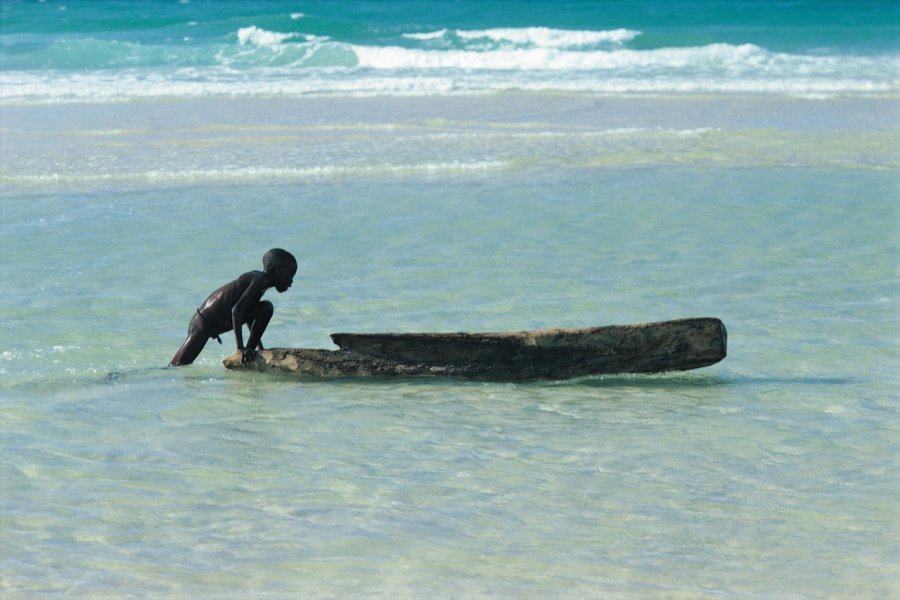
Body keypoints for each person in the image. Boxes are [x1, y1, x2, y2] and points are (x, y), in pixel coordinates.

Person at [169, 248, 297, 366]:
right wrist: (240, 348)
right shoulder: (259, 279)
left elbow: (247, 315)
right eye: (289, 275)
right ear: (272, 270)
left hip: (217, 322)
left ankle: (251, 350)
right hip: (204, 321)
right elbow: (236, 310)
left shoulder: (262, 286)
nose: (291, 281)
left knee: (266, 308)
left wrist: (259, 347)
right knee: (179, 364)